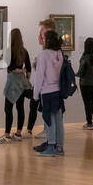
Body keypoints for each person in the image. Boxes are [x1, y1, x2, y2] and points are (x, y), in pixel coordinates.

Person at [0, 28, 34, 143]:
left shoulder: (9, 51)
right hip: (21, 84)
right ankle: (18, 133)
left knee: (8, 108)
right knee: (20, 107)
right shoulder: (24, 51)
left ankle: (7, 134)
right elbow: (29, 69)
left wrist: (17, 70)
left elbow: (10, 68)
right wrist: (25, 78)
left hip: (12, 83)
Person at [32, 29, 65, 157]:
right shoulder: (59, 53)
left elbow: (39, 76)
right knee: (58, 121)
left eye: (44, 39)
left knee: (49, 120)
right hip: (58, 91)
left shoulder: (44, 54)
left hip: (47, 92)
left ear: (47, 40)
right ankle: (59, 147)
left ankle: (51, 146)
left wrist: (35, 94)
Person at [77, 37, 93, 129]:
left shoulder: (85, 58)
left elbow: (81, 72)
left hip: (85, 83)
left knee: (87, 103)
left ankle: (89, 123)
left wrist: (75, 74)